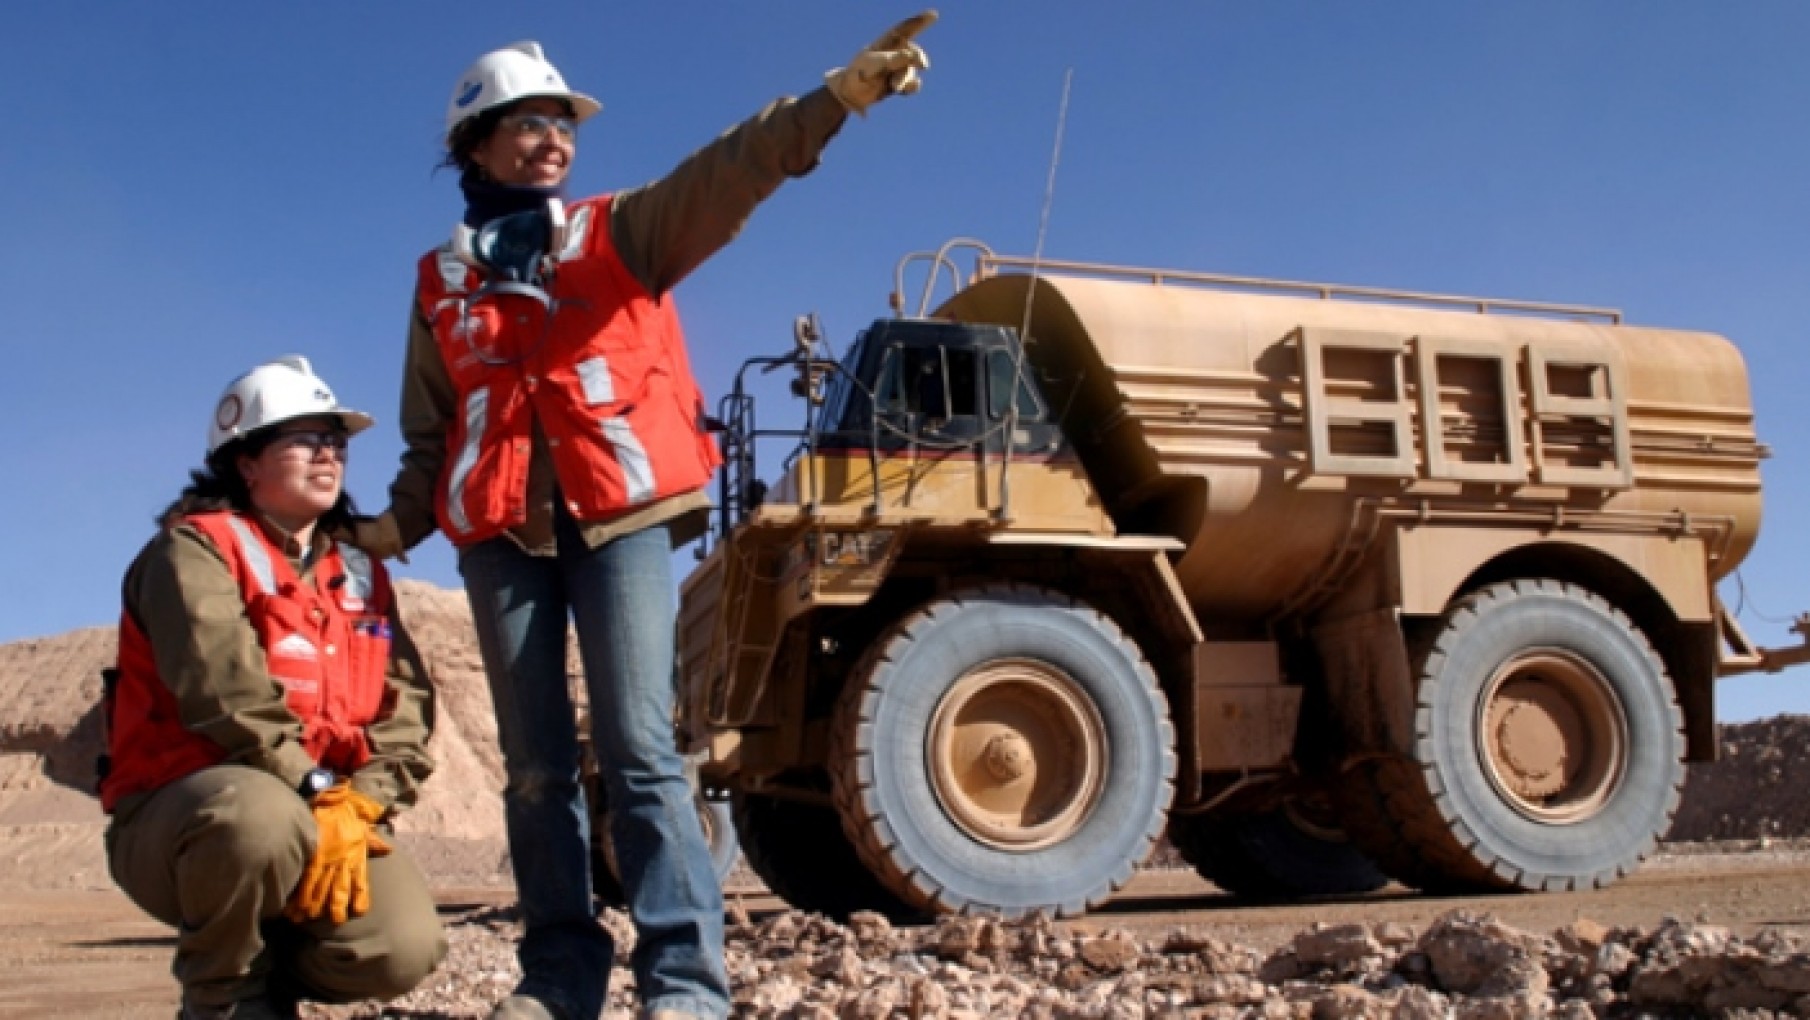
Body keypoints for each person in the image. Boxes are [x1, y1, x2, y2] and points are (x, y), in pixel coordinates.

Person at [344, 14, 936, 1020]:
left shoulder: (617, 231)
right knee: (534, 771)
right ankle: (558, 979)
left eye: (561, 122)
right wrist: (385, 532)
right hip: (501, 539)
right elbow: (430, 425)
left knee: (640, 750)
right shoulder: (438, 281)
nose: (552, 139)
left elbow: (727, 174)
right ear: (474, 147)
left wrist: (834, 100)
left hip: (618, 517)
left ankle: (683, 983)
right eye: (526, 122)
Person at [101, 356, 445, 1020]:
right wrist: (315, 788)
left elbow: (406, 718)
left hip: (317, 812)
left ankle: (266, 968)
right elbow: (224, 695)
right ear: (245, 462)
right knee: (258, 818)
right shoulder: (194, 552)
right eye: (306, 439)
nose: (329, 455)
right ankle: (223, 999)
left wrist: (359, 805)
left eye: (336, 441)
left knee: (402, 946)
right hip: (186, 822)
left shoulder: (363, 575)